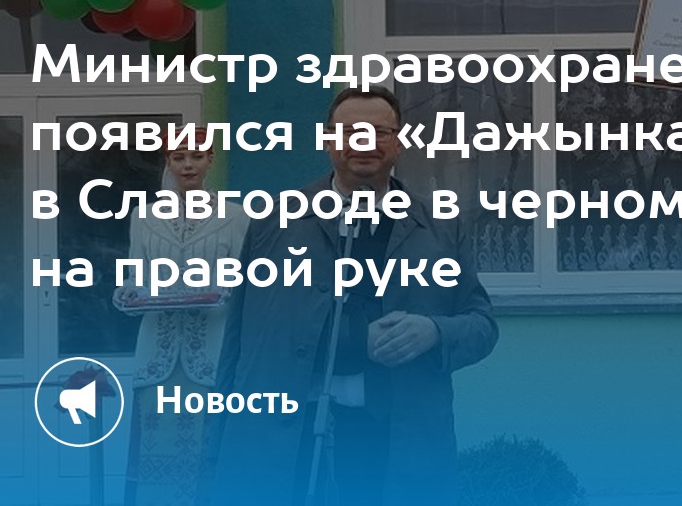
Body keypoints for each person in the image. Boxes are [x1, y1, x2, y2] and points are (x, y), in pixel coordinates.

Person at [213, 87, 498, 506]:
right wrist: (218, 448)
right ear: (328, 141)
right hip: (288, 443)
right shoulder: (275, 222)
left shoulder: (440, 226)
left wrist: (436, 331)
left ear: (399, 143)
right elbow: (238, 340)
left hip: (396, 442)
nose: (365, 142)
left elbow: (482, 325)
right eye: (350, 131)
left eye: (380, 132)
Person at [113, 129, 251, 506]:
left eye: (197, 156)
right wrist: (128, 293)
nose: (188, 165)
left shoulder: (235, 215)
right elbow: (137, 276)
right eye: (179, 157)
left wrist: (225, 289)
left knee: (206, 457)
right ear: (168, 163)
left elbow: (245, 279)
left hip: (211, 353)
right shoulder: (144, 217)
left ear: (211, 161)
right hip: (156, 358)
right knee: (154, 455)